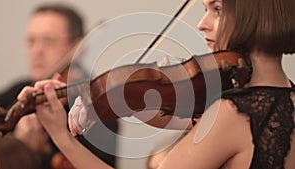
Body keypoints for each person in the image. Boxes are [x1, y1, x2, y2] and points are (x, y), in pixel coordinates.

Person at [17, 0, 295, 168]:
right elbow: (189, 122)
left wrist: (61, 136)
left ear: (255, 14)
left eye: (217, 9)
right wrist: (129, 96)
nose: (202, 23)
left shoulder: (232, 113)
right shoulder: (284, 101)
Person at [0, 3, 118, 169]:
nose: (37, 50)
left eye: (48, 41)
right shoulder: (20, 92)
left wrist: (25, 154)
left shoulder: (96, 107)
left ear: (78, 49)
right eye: (31, 41)